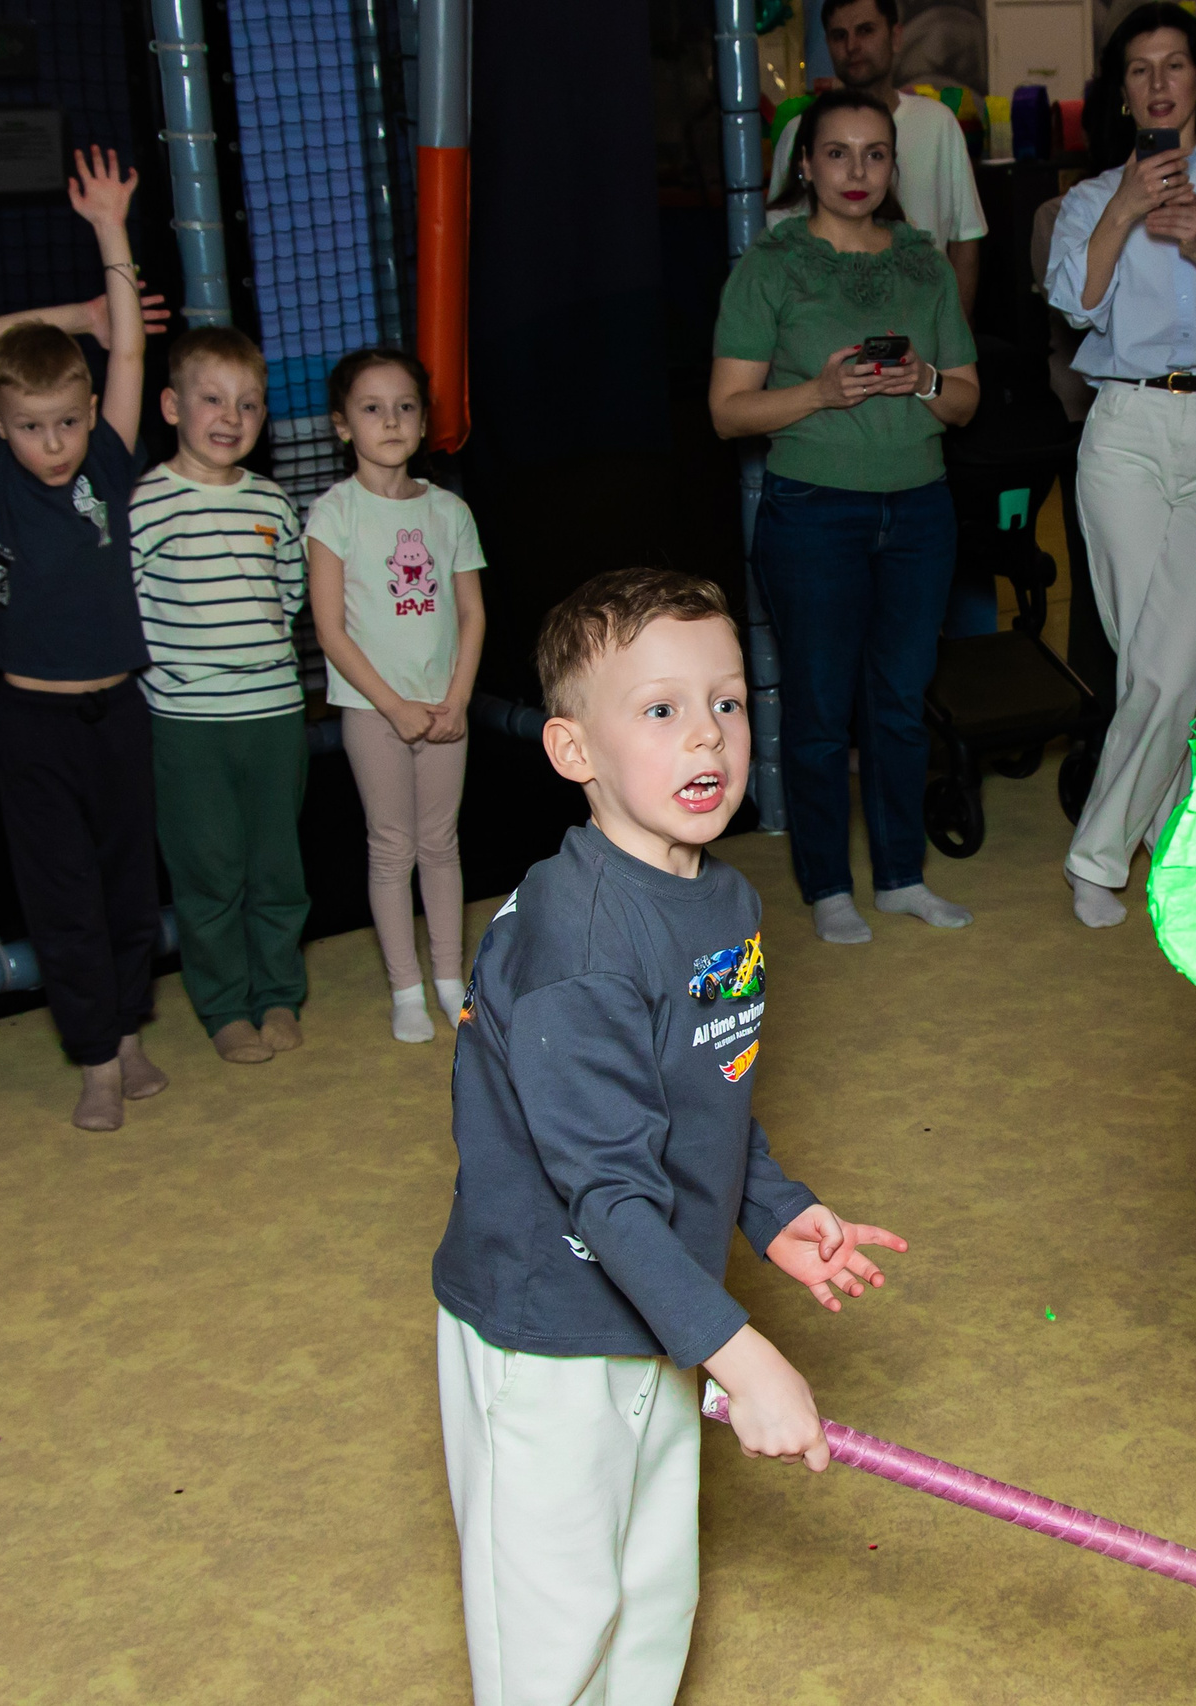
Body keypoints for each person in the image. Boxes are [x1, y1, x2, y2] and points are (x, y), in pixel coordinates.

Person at [433, 566, 908, 1706]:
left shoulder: (723, 901)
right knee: (555, 1623)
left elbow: (703, 1096)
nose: (706, 733)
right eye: (658, 709)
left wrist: (772, 1204)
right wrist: (744, 1357)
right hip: (546, 1329)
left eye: (728, 702)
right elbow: (601, 1184)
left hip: (657, 1304)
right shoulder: (578, 944)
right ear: (571, 749)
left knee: (652, 1594)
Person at [710, 88, 980, 946]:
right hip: (813, 512)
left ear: (895, 166)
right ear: (805, 164)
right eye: (838, 153)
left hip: (920, 510)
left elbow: (966, 401)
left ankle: (901, 876)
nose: (857, 171)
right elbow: (727, 411)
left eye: (874, 154)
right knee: (822, 708)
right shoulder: (771, 265)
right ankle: (827, 884)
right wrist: (820, 392)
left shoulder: (924, 262)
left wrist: (926, 381)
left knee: (899, 701)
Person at [1046, 4, 1196, 930]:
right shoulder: (1090, 195)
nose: (1158, 83)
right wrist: (1122, 207)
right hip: (1124, 429)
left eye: (1174, 65)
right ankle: (1188, 846)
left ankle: (1098, 853)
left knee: (1174, 657)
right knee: (1151, 659)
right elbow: (1074, 304)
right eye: (1139, 70)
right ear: (1122, 93)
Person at [0, 149, 168, 1131]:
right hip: (30, 717)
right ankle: (90, 1050)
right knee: (62, 889)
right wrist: (79, 315)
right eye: (32, 426)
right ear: (1, 426)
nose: (52, 443)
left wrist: (113, 233)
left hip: (117, 706)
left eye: (66, 424)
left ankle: (127, 1028)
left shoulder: (111, 460)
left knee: (129, 874)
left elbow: (129, 360)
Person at [129, 327, 314, 1064]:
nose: (230, 416)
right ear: (172, 405)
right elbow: (129, 605)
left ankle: (278, 994)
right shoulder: (146, 502)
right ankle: (224, 1007)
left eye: (249, 404)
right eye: (212, 399)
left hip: (273, 717)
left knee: (276, 866)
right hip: (188, 725)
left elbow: (290, 597)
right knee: (208, 870)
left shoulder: (272, 501)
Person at [306, 349, 487, 1044]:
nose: (391, 420)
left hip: (445, 710)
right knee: (392, 848)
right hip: (374, 712)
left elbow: (471, 613)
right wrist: (393, 706)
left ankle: (449, 980)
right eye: (371, 408)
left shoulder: (449, 512)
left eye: (405, 406)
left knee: (441, 844)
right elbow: (330, 628)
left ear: (423, 421)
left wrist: (457, 696)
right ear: (342, 426)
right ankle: (405, 988)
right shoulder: (334, 514)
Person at [766, 0, 988, 320]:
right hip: (826, 327)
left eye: (866, 31)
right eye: (839, 35)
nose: (852, 46)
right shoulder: (799, 132)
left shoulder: (938, 124)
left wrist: (955, 338)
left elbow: (965, 239)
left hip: (922, 323)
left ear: (895, 37)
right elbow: (781, 247)